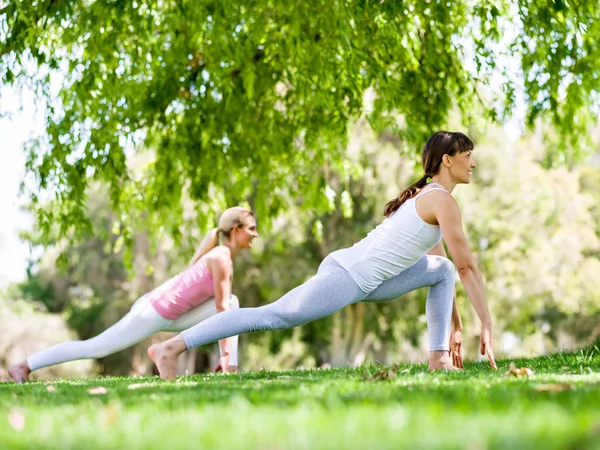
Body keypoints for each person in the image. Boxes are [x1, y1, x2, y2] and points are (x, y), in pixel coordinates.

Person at [149, 131, 496, 379]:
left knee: (441, 269)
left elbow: (442, 266)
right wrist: (488, 324)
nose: (474, 163)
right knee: (274, 316)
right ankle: (173, 347)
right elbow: (468, 268)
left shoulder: (429, 197)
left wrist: (457, 324)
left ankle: (438, 360)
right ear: (447, 160)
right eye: (468, 157)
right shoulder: (440, 200)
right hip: (350, 275)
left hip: (372, 280)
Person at [8, 207, 259, 383]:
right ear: (236, 230)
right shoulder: (221, 257)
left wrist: (227, 352)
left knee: (233, 301)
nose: (255, 234)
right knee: (95, 347)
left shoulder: (220, 256)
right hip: (153, 312)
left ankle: (227, 366)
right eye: (251, 228)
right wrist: (226, 353)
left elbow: (223, 307)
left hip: (170, 316)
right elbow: (222, 311)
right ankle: (24, 365)